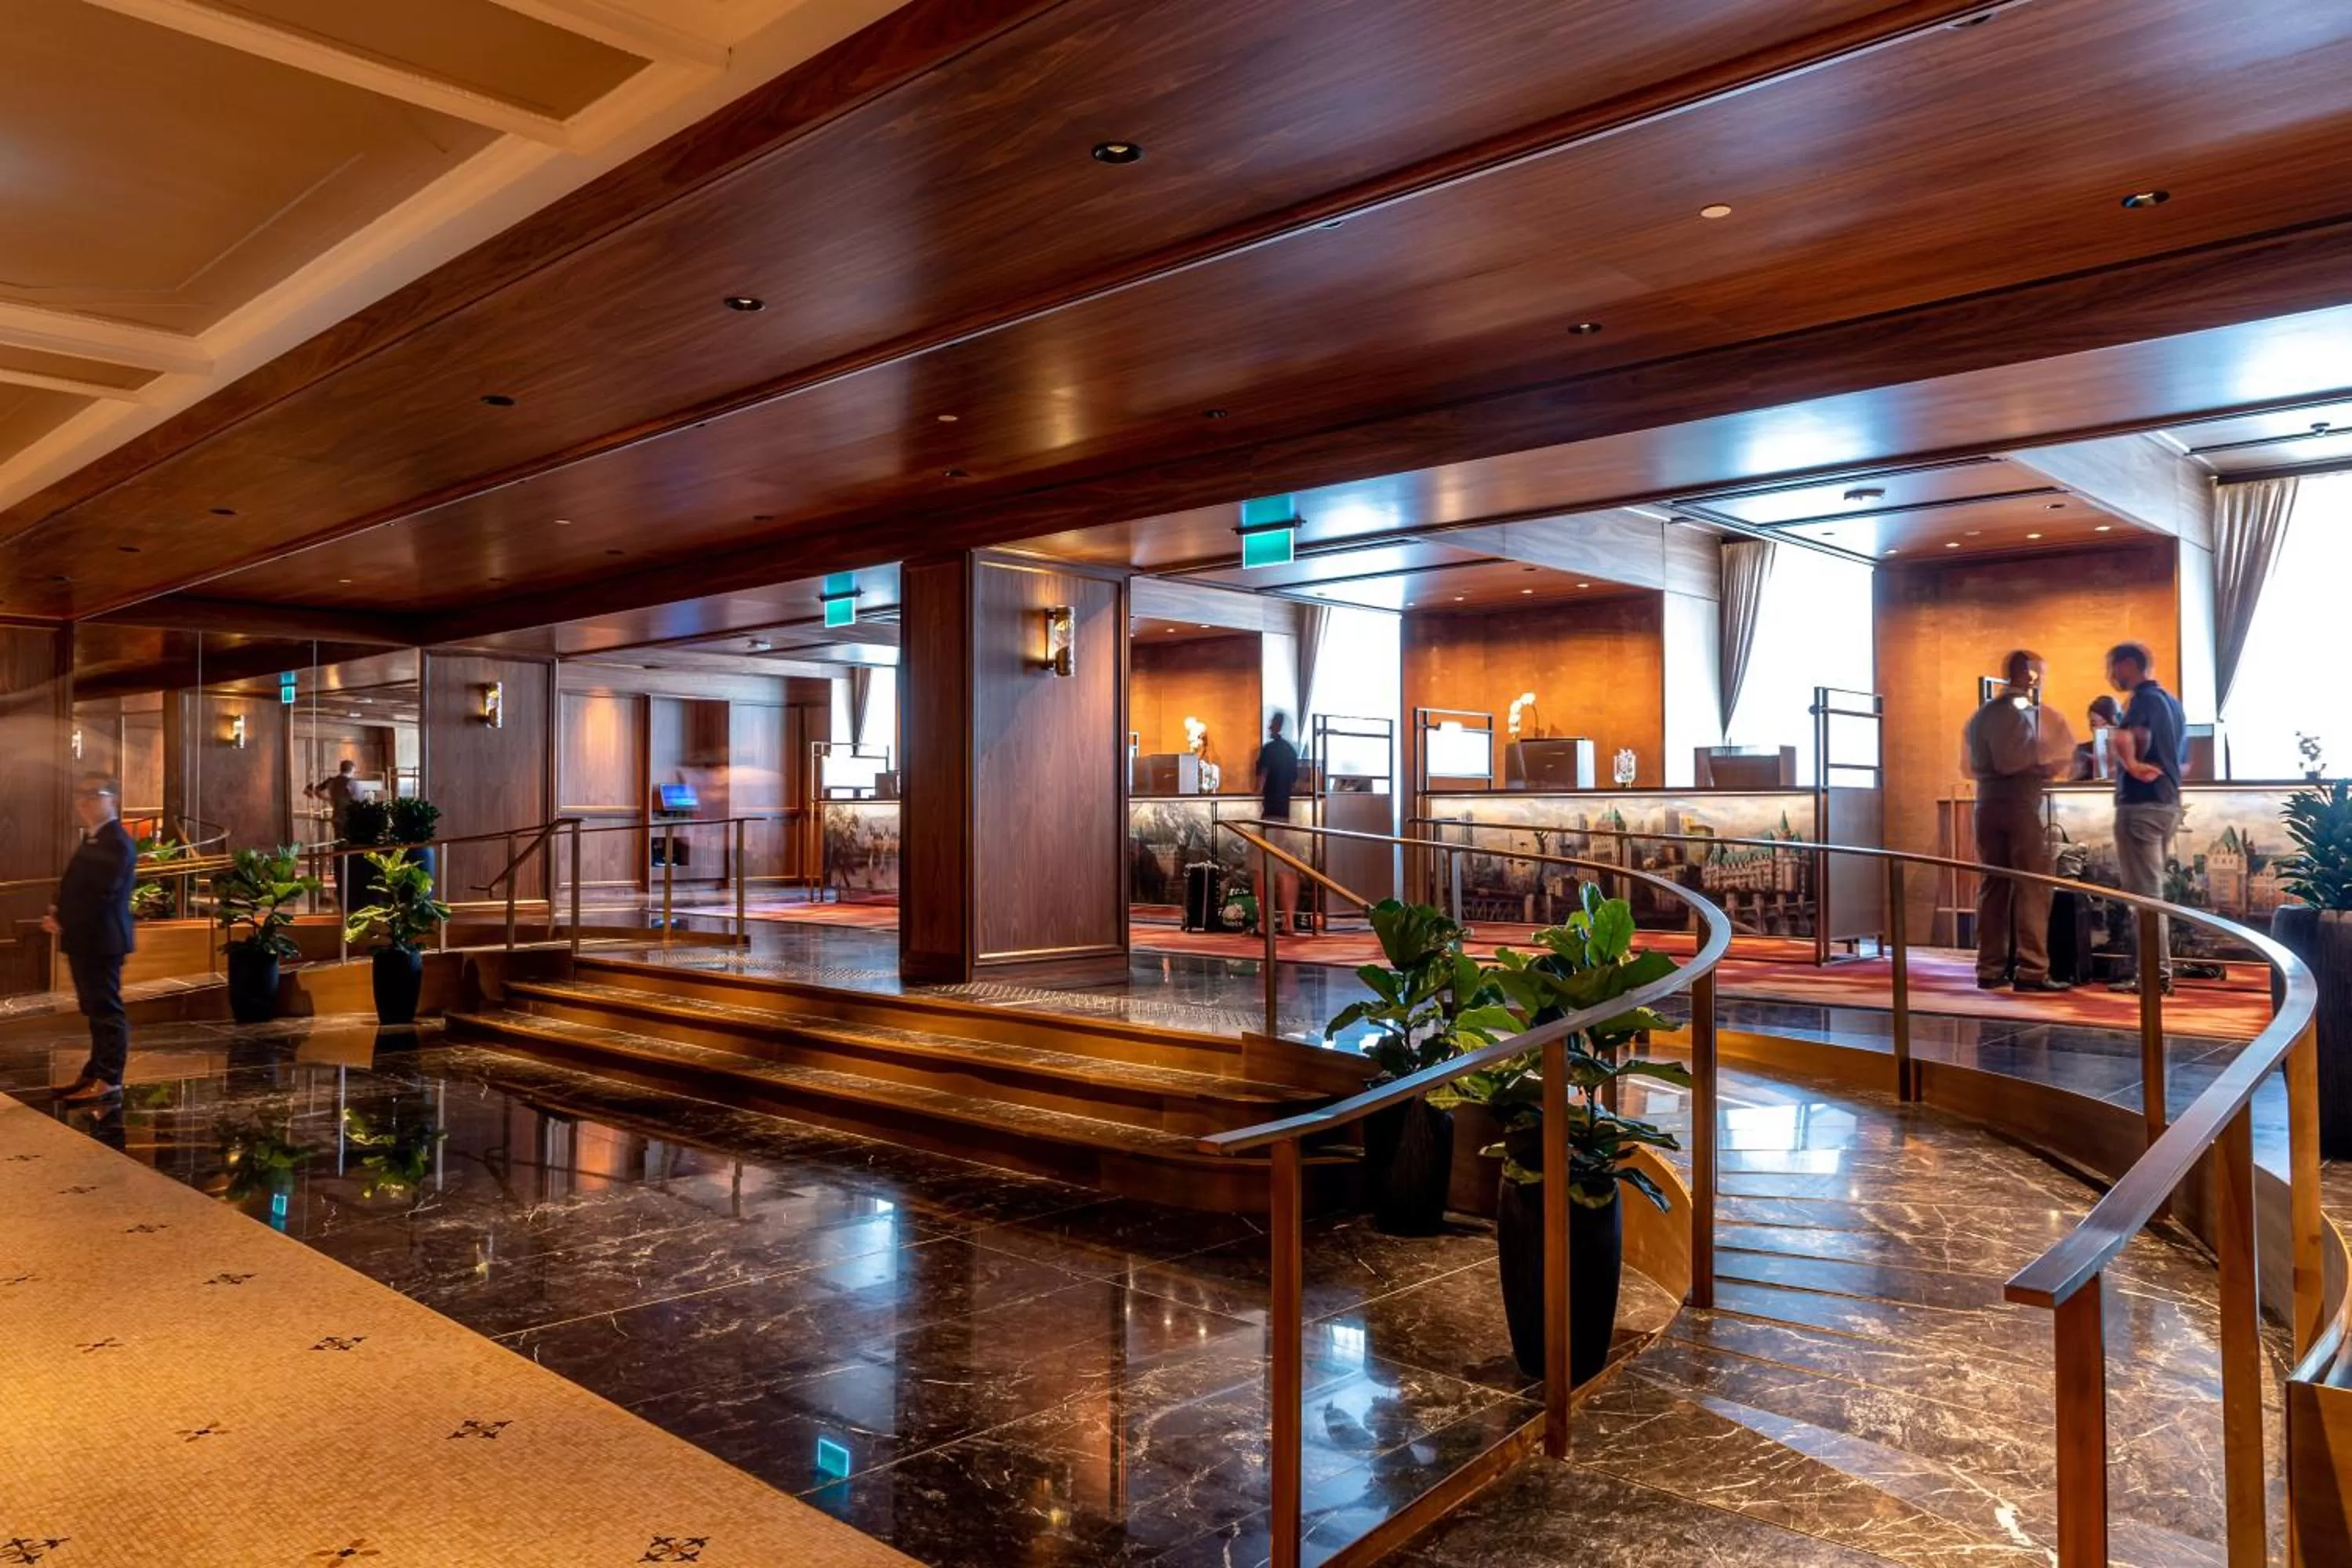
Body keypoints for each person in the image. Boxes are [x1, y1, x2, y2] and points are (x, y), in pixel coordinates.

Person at [1960, 650, 2076, 992]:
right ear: (2028, 675)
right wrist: (2048, 766)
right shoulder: (2023, 714)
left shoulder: (1981, 715)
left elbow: (1968, 764)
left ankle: (1990, 968)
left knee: (1993, 885)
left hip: (1985, 803)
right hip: (2020, 803)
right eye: (2039, 673)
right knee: (2032, 885)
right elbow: (2015, 759)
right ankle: (2032, 970)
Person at [45, 775, 138, 1103]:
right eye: (80, 794)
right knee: (94, 1008)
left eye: (94, 795)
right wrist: (56, 910)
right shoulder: (95, 838)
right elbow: (75, 886)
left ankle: (110, 1079)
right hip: (87, 938)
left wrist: (64, 919)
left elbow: (102, 893)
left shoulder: (116, 841)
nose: (84, 801)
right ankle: (95, 1071)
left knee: (106, 1010)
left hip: (103, 940)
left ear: (113, 799)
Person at [2104, 641, 2188, 994]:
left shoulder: (2141, 700)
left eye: (2113, 667)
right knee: (2152, 893)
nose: (2110, 675)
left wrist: (2133, 765)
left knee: (2146, 897)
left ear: (2128, 665)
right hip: (2168, 804)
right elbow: (2184, 758)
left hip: (2141, 806)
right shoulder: (2172, 703)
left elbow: (2124, 736)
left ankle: (2155, 979)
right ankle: (2157, 975)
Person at [1254, 712, 1302, 939]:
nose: (1268, 726)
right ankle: (1290, 922)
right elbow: (1295, 782)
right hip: (1286, 815)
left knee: (1262, 869)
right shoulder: (1291, 752)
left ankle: (1264, 922)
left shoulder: (1268, 750)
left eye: (1271, 723)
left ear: (1276, 726)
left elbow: (1260, 783)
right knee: (1286, 870)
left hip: (1269, 815)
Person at [307, 757, 362, 842]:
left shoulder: (331, 781)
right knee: (351, 842)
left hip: (336, 815)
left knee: (338, 841)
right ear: (352, 770)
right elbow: (360, 800)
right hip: (349, 817)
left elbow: (314, 790)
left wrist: (328, 799)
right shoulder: (352, 782)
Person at [2069, 695, 2122, 781]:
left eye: (2104, 724)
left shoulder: (2128, 752)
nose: (2098, 729)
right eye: (2094, 725)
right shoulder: (2082, 752)